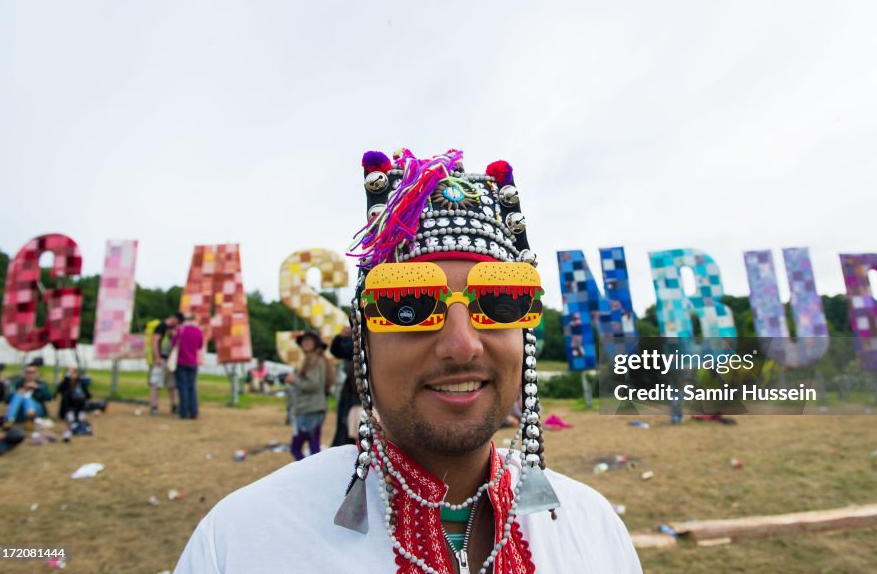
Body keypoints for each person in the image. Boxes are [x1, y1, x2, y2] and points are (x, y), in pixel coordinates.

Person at [175, 149, 642, 573]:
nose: (462, 344)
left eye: (501, 300)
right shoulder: (244, 542)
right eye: (409, 306)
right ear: (363, 343)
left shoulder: (593, 530)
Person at [285, 331, 331, 460]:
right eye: (304, 341)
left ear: (315, 343)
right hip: (315, 407)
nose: (305, 343)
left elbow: (313, 384)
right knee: (314, 447)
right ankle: (315, 475)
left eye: (309, 340)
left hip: (309, 409)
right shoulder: (318, 359)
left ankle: (307, 475)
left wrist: (294, 380)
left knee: (296, 448)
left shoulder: (314, 360)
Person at [329, 327, 359, 446]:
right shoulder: (354, 341)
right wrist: (340, 337)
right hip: (351, 396)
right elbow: (337, 351)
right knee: (346, 435)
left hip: (366, 397)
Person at [148, 313, 182, 415]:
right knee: (156, 383)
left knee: (172, 384)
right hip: (161, 359)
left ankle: (173, 405)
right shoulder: (161, 327)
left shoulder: (174, 329)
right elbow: (155, 342)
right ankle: (154, 405)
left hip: (171, 360)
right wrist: (157, 357)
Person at [172, 314, 205, 420]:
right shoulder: (198, 331)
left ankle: (183, 412)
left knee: (183, 388)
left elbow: (173, 344)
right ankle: (194, 411)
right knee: (192, 387)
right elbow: (200, 345)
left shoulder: (180, 330)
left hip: (181, 361)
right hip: (193, 362)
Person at [5, 360, 52, 424]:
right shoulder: (17, 384)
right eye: (27, 372)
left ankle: (29, 418)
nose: (30, 375)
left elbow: (49, 397)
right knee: (18, 395)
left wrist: (39, 388)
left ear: (37, 373)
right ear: (24, 373)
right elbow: (6, 400)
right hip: (20, 410)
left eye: (32, 372)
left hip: (37, 409)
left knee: (27, 398)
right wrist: (17, 392)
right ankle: (9, 420)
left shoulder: (41, 384)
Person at [57, 366, 93, 437]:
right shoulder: (66, 384)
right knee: (71, 418)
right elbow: (59, 390)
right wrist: (66, 379)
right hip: (68, 408)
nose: (72, 374)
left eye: (74, 372)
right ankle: (73, 426)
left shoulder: (81, 384)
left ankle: (83, 427)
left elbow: (88, 396)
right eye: (70, 372)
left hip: (80, 408)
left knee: (81, 418)